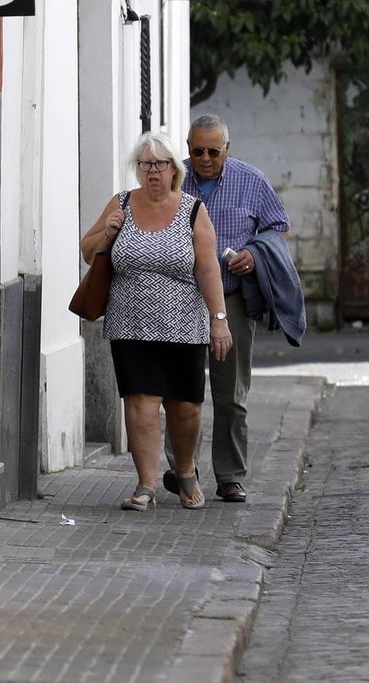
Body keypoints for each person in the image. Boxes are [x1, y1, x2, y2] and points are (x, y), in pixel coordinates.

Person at [80, 131, 233, 511]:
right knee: (141, 402)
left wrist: (219, 320)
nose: (152, 172)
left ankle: (184, 471)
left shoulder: (193, 210)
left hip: (184, 324)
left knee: (185, 406)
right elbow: (87, 251)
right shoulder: (121, 204)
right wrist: (107, 232)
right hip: (130, 322)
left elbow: (208, 267)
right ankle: (146, 483)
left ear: (173, 170)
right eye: (145, 164)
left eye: (160, 164)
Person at [172, 114, 293, 504]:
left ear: (228, 148)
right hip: (180, 297)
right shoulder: (176, 178)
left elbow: (277, 226)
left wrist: (254, 254)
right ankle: (181, 471)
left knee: (232, 394)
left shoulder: (251, 180)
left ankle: (230, 475)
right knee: (180, 391)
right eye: (197, 151)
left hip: (232, 299)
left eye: (213, 151)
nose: (204, 159)